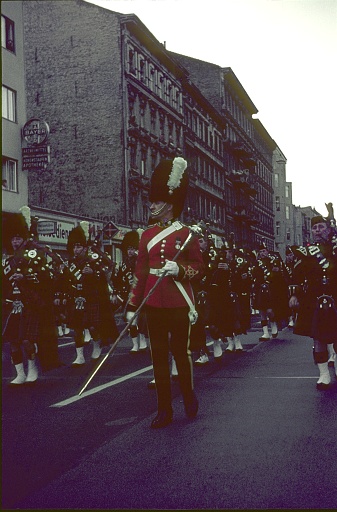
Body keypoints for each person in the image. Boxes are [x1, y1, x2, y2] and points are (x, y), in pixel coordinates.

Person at [126, 157, 204, 429]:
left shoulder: (187, 235)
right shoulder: (146, 235)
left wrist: (179, 270)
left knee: (181, 354)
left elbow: (199, 267)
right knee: (158, 357)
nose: (151, 205)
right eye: (152, 201)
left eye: (156, 202)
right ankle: (164, 409)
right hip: (153, 303)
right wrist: (132, 305)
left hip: (178, 301)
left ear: (169, 203)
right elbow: (140, 272)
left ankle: (188, 396)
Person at [2, 208, 60, 383]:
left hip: (31, 304)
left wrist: (25, 277)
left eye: (18, 238)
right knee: (13, 341)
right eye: (12, 238)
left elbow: (47, 276)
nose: (15, 241)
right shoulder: (7, 261)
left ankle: (32, 368)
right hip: (12, 304)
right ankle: (20, 373)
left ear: (25, 238)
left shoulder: (36, 255)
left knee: (27, 340)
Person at [289, 209, 337, 389]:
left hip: (335, 294)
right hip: (314, 298)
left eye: (321, 227)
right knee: (318, 338)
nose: (317, 230)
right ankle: (324, 374)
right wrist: (294, 294)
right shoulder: (306, 252)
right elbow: (297, 274)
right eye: (315, 227)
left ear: (328, 229)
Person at [66, 222, 119, 366]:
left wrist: (93, 273)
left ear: (85, 248)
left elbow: (104, 276)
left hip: (92, 298)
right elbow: (64, 281)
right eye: (74, 247)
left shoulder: (94, 261)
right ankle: (80, 356)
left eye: (79, 247)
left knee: (93, 327)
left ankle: (97, 345)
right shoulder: (70, 263)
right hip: (76, 298)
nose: (76, 250)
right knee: (76, 329)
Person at [113, 230, 148, 353]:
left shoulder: (142, 263)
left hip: (142, 295)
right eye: (128, 249)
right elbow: (116, 280)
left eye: (133, 249)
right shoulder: (122, 265)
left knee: (142, 321)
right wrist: (116, 294)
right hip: (129, 297)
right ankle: (135, 344)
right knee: (130, 320)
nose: (130, 251)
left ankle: (143, 341)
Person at [207, 238, 243, 358]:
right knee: (220, 319)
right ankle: (228, 341)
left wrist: (231, 271)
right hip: (220, 296)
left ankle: (237, 340)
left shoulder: (237, 263)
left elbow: (240, 278)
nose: (227, 253)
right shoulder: (216, 262)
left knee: (235, 318)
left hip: (233, 294)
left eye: (229, 251)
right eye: (225, 251)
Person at [251, 243, 289, 341]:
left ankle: (273, 324)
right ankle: (265, 333)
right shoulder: (257, 262)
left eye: (263, 251)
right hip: (259, 288)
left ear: (267, 251)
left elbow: (277, 275)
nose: (262, 253)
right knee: (262, 311)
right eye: (260, 252)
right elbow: (254, 274)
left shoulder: (273, 261)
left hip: (271, 288)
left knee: (270, 310)